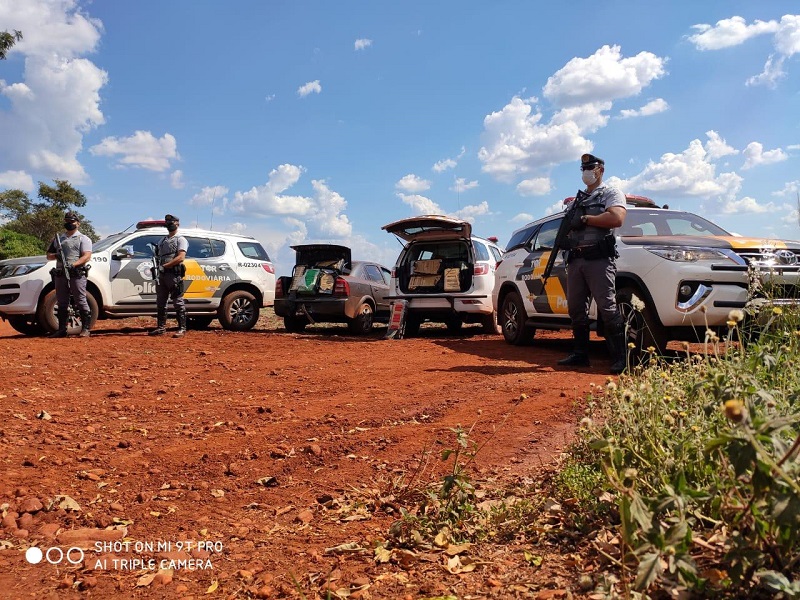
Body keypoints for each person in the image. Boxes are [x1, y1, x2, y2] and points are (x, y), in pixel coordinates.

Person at [557, 153, 628, 374]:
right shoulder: (577, 199)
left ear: (601, 170)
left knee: (607, 307)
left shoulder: (610, 193)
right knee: (576, 309)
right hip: (576, 260)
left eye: (592, 167)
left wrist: (587, 219)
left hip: (598, 259)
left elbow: (616, 218)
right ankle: (580, 355)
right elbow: (566, 226)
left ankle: (620, 358)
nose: (587, 171)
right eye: (584, 168)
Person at [46, 212, 93, 338]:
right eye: (67, 221)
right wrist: (57, 255)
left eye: (71, 221)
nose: (69, 223)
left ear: (78, 223)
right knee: (62, 302)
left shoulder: (83, 238)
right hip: (61, 274)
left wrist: (74, 264)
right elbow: (48, 255)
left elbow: (87, 256)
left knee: (80, 300)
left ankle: (86, 329)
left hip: (76, 273)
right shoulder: (58, 239)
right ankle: (62, 330)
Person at [149, 214, 189, 338]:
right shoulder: (162, 240)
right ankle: (161, 328)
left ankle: (182, 328)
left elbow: (181, 257)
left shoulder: (180, 239)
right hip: (161, 274)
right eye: (167, 222)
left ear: (177, 223)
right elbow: (157, 256)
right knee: (161, 301)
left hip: (173, 274)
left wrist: (166, 265)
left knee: (177, 301)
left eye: (171, 222)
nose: (169, 224)